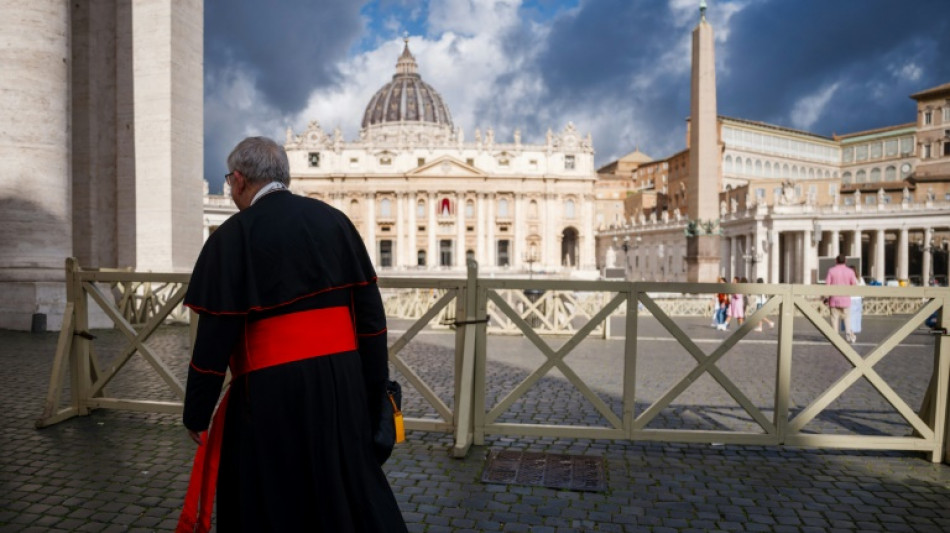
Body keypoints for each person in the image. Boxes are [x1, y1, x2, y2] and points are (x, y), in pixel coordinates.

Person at [177, 137, 407, 533]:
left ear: (237, 180)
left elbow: (212, 343)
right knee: (344, 490)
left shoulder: (231, 237)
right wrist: (375, 395)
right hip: (341, 384)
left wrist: (197, 414)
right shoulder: (334, 220)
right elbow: (371, 322)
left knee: (273, 498)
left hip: (269, 394)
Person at [825, 254, 858, 344]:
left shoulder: (831, 271)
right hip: (845, 300)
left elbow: (827, 285)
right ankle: (849, 336)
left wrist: (825, 298)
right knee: (847, 320)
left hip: (834, 300)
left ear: (836, 260)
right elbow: (854, 284)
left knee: (834, 320)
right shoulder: (850, 272)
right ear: (845, 261)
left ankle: (835, 339)